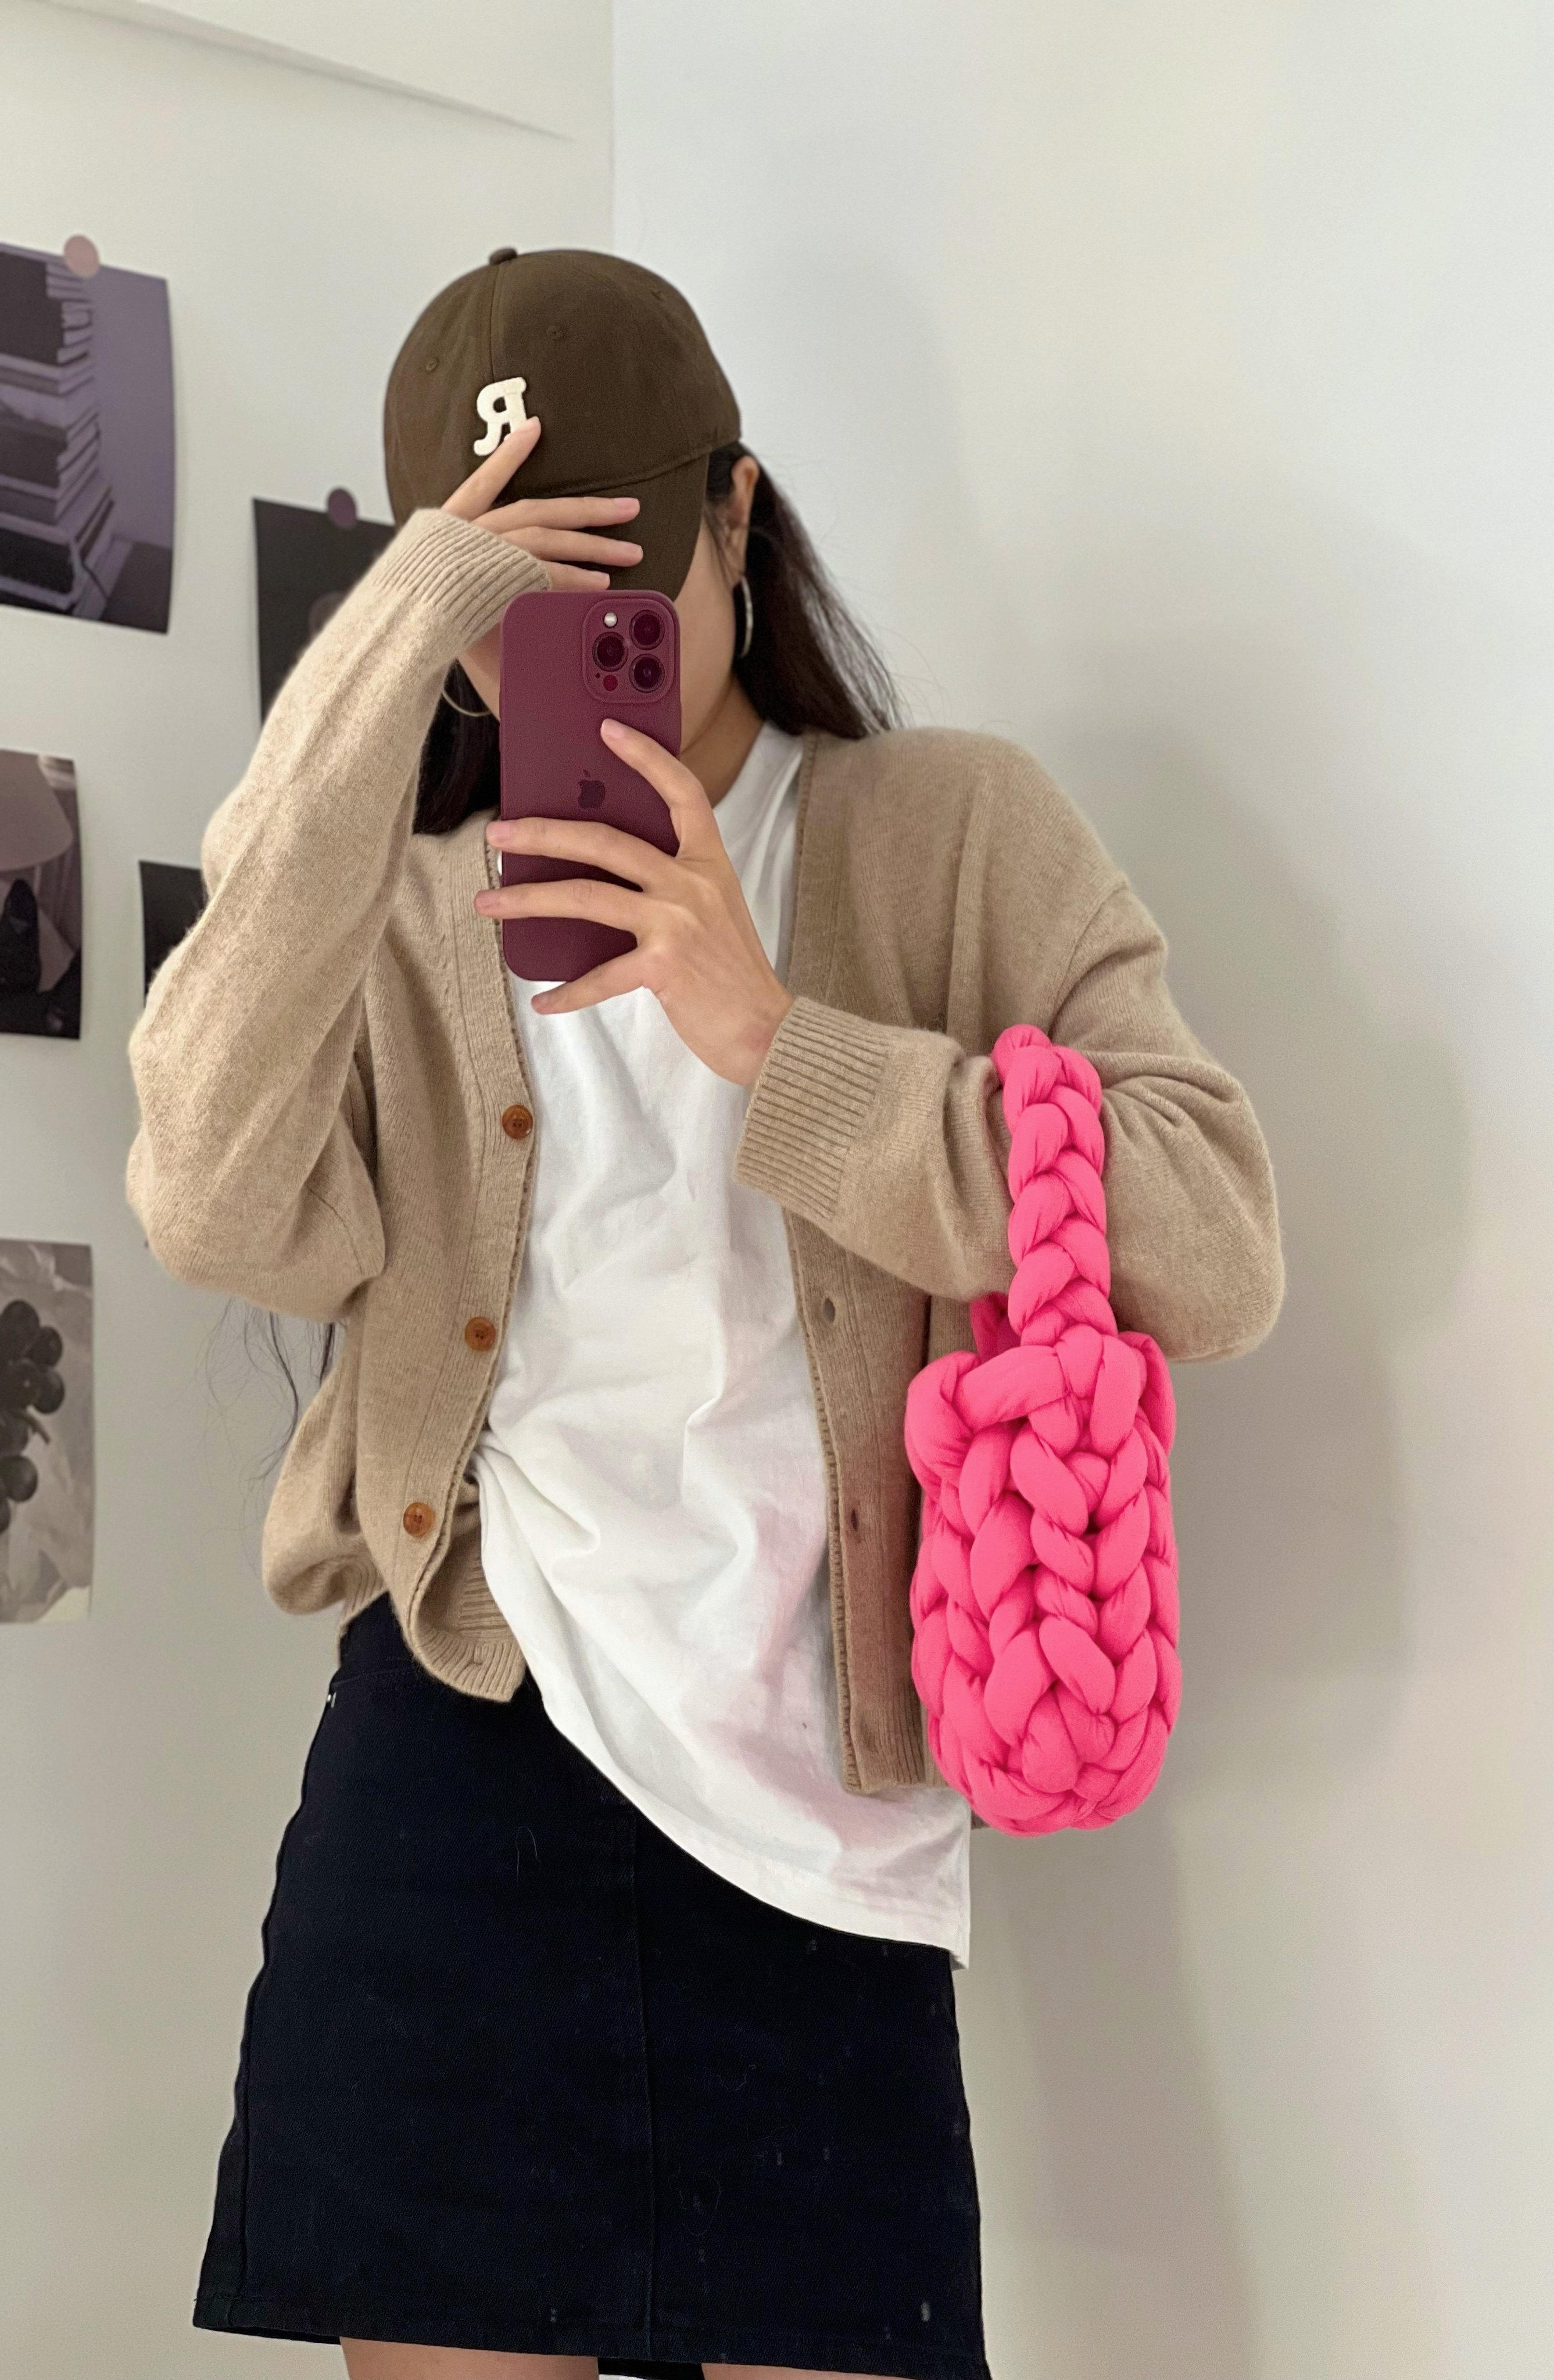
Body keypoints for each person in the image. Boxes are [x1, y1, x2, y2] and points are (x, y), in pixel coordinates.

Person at [125, 248, 1284, 2380]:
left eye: (621, 591)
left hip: (821, 1834)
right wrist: (381, 659)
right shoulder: (399, 901)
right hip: (461, 1771)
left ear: (740, 512)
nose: (567, 663)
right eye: (503, 613)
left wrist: (780, 1042)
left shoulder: (949, 832)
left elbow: (1215, 1239)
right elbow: (204, 1188)